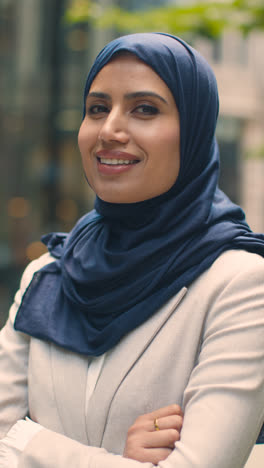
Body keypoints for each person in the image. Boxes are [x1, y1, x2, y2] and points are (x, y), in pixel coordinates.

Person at [0, 32, 264, 468]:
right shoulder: (49, 274)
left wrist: (28, 441)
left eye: (144, 109)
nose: (109, 130)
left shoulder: (240, 285)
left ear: (194, 129)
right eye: (97, 109)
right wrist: (115, 459)